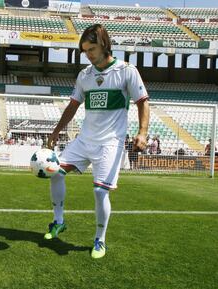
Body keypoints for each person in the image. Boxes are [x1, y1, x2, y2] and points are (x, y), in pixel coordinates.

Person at [45, 24, 149, 259]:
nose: (88, 54)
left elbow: (143, 101)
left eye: (91, 48)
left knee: (100, 192)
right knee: (55, 172)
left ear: (104, 44)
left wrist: (142, 132)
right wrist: (56, 132)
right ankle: (58, 221)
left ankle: (99, 240)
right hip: (84, 140)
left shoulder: (126, 71)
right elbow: (73, 105)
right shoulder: (85, 75)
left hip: (110, 143)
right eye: (84, 51)